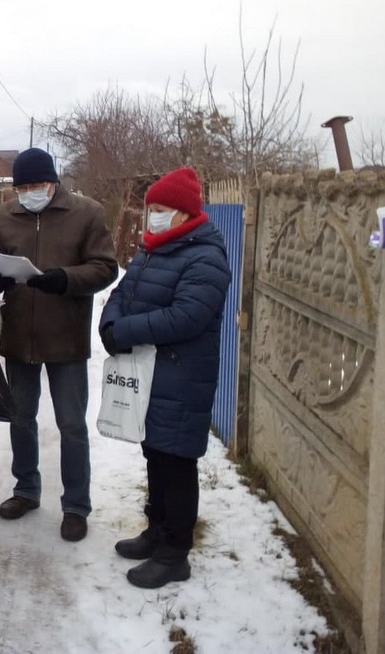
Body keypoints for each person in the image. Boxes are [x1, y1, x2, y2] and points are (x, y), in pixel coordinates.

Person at [0, 147, 118, 542]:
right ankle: (25, 490)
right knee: (21, 418)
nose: (29, 192)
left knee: (71, 424)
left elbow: (106, 267)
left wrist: (64, 279)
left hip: (66, 336)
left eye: (36, 184)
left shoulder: (86, 213)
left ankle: (75, 505)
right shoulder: (6, 215)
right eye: (22, 186)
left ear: (53, 182)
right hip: (19, 334)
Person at [99, 166, 230, 589]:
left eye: (160, 208)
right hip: (151, 376)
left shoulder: (205, 256)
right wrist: (110, 323)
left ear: (183, 213)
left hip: (181, 377)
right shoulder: (155, 247)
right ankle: (156, 532)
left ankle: (175, 553)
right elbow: (124, 292)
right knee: (155, 456)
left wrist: (127, 332)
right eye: (150, 207)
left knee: (176, 463)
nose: (151, 215)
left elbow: (186, 316)